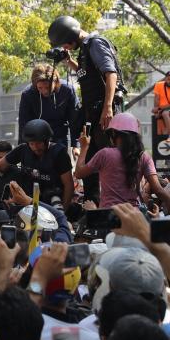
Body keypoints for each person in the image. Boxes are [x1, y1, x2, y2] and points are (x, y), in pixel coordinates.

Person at [48, 15, 124, 203]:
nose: (64, 48)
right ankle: (92, 206)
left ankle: (115, 206)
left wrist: (108, 108)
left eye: (65, 44)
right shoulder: (84, 49)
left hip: (104, 113)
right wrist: (68, 61)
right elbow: (86, 73)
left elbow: (111, 74)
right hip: (93, 114)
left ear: (71, 37)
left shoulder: (95, 44)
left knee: (110, 162)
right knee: (90, 164)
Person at [75, 111, 170, 212]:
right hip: (135, 217)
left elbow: (79, 173)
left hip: (109, 217)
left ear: (113, 133)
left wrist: (84, 147)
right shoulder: (144, 157)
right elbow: (159, 190)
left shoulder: (104, 154)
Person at [0, 119, 74, 210]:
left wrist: (62, 214)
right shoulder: (23, 150)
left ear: (46, 140)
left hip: (53, 204)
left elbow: (69, 185)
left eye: (38, 143)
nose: (35, 147)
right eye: (32, 144)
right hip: (28, 204)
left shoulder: (59, 154)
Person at [18, 63, 80, 150]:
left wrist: (75, 145)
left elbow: (75, 119)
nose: (45, 91)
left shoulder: (67, 90)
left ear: (56, 82)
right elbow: (23, 123)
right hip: (37, 138)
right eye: (40, 88)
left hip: (60, 135)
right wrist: (23, 148)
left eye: (48, 87)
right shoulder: (27, 94)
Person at [151, 70, 170, 141]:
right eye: (168, 79)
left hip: (164, 109)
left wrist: (158, 108)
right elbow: (156, 99)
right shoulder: (159, 85)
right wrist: (156, 110)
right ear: (165, 78)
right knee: (162, 113)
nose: (169, 81)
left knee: (165, 113)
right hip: (162, 109)